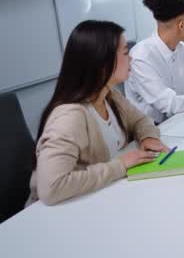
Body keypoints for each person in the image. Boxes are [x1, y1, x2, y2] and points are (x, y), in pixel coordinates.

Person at [28, 20, 169, 206]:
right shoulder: (70, 116)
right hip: (62, 212)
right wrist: (120, 165)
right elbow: (51, 187)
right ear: (103, 63)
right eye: (126, 53)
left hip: (102, 198)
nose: (132, 59)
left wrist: (148, 137)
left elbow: (141, 120)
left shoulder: (109, 95)